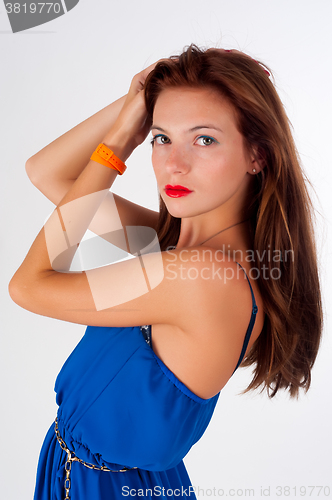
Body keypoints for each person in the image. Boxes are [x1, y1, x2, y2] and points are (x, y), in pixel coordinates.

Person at [9, 44, 322, 500]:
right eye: (160, 138)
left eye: (204, 139)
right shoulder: (172, 247)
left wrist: (119, 142)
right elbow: (47, 174)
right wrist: (133, 104)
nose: (173, 164)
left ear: (257, 155)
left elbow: (28, 286)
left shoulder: (196, 276)